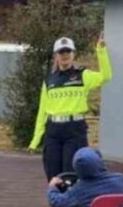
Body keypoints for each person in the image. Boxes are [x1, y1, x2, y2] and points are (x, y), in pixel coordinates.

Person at [29, 35, 112, 181]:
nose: (65, 55)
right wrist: (35, 139)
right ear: (56, 56)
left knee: (70, 174)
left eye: (68, 51)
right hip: (53, 131)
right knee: (52, 174)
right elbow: (43, 111)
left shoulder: (83, 75)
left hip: (74, 130)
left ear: (73, 54)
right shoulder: (49, 80)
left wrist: (101, 50)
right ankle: (56, 196)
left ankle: (69, 196)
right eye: (61, 52)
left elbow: (106, 76)